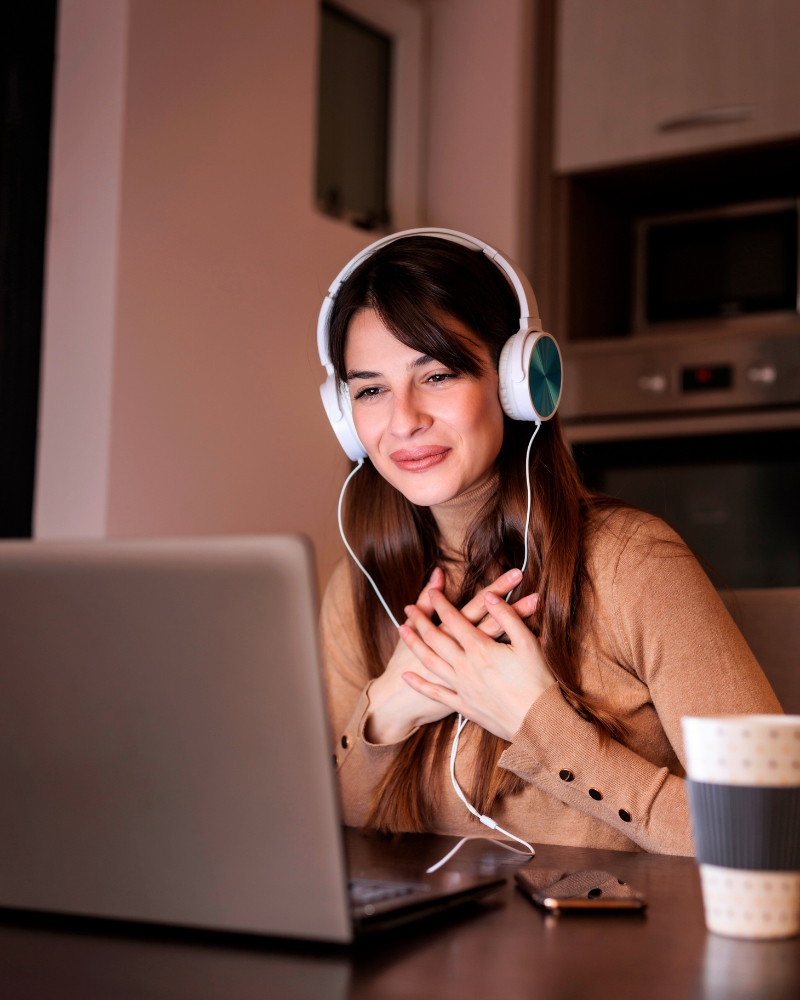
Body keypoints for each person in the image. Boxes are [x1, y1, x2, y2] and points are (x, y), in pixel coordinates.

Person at [320, 233, 780, 856]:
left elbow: (767, 829)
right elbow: (332, 848)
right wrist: (387, 710)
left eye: (438, 373)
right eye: (371, 389)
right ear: (346, 415)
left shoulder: (631, 563)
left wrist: (540, 727)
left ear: (517, 383)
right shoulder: (358, 591)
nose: (404, 420)